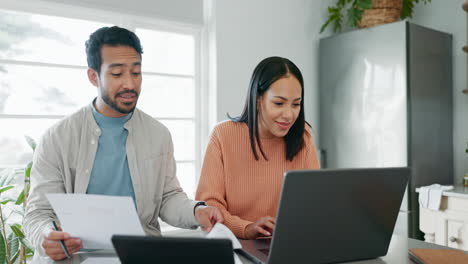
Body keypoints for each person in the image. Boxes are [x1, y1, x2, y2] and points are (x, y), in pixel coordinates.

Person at [24, 26, 223, 261]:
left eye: (136, 73)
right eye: (117, 74)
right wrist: (47, 236)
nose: (130, 84)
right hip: (77, 258)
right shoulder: (57, 137)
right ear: (93, 76)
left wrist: (196, 211)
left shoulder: (158, 134)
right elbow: (38, 213)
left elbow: (168, 197)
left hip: (140, 256)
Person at [196, 56, 320, 239]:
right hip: (235, 245)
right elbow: (210, 206)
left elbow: (314, 203)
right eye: (279, 103)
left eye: (296, 104)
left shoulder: (303, 137)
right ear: (257, 99)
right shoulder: (223, 135)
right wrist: (246, 228)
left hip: (288, 245)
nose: (289, 115)